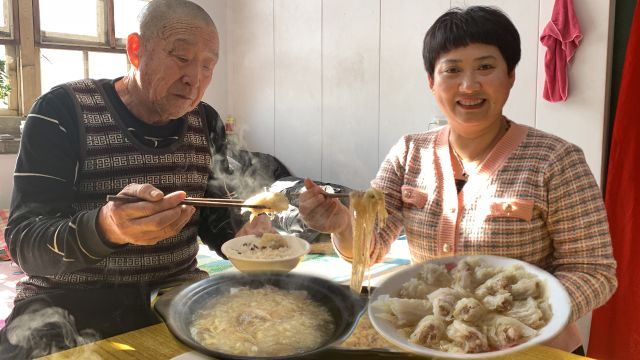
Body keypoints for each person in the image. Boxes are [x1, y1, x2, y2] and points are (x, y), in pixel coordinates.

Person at [299, 6, 617, 355]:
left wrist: (529, 314)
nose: (469, 85)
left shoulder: (556, 160)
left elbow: (593, 271)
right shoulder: (408, 154)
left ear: (510, 75)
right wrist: (344, 225)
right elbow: (370, 248)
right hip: (435, 342)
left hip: (530, 346)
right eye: (452, 70)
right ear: (432, 82)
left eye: (485, 66)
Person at [1, 0, 271, 357]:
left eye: (208, 65)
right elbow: (24, 243)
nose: (195, 78)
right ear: (135, 50)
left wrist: (244, 239)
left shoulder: (206, 122)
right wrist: (105, 228)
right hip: (66, 302)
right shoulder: (61, 111)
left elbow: (216, 220)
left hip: (175, 294)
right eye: (181, 57)